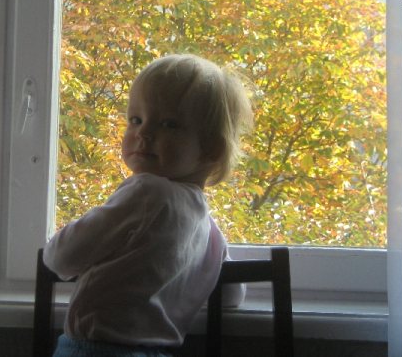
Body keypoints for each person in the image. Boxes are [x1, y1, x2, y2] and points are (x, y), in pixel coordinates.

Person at [43, 53, 254, 356]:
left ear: (211, 149)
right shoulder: (208, 229)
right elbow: (232, 295)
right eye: (136, 120)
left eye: (169, 124)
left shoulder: (147, 193)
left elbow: (60, 257)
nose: (143, 132)